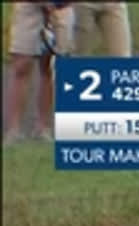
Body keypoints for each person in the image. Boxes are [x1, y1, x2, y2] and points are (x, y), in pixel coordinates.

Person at [3, 0, 73, 144]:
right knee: (21, 65)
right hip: (29, 6)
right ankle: (13, 131)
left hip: (61, 7)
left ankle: (43, 128)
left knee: (48, 66)